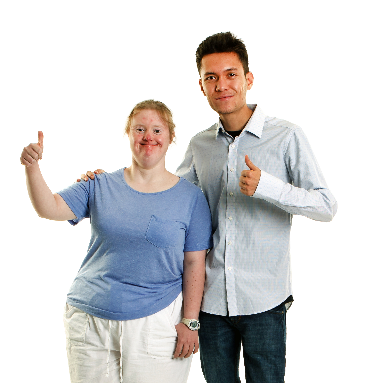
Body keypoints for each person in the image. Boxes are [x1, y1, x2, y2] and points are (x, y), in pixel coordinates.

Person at [76, 32, 338, 383]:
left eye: (231, 74)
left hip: (264, 300)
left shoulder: (288, 136)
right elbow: (164, 192)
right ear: (201, 86)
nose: (221, 85)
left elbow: (326, 206)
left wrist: (268, 187)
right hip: (210, 303)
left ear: (249, 79)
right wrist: (103, 189)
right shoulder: (200, 144)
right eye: (210, 77)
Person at [20, 99, 213, 383]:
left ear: (171, 138)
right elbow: (48, 208)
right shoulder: (99, 184)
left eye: (157, 130)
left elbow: (195, 262)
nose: (149, 137)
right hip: (90, 317)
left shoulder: (192, 198)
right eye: (140, 129)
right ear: (128, 134)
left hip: (158, 320)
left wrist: (190, 321)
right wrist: (32, 167)